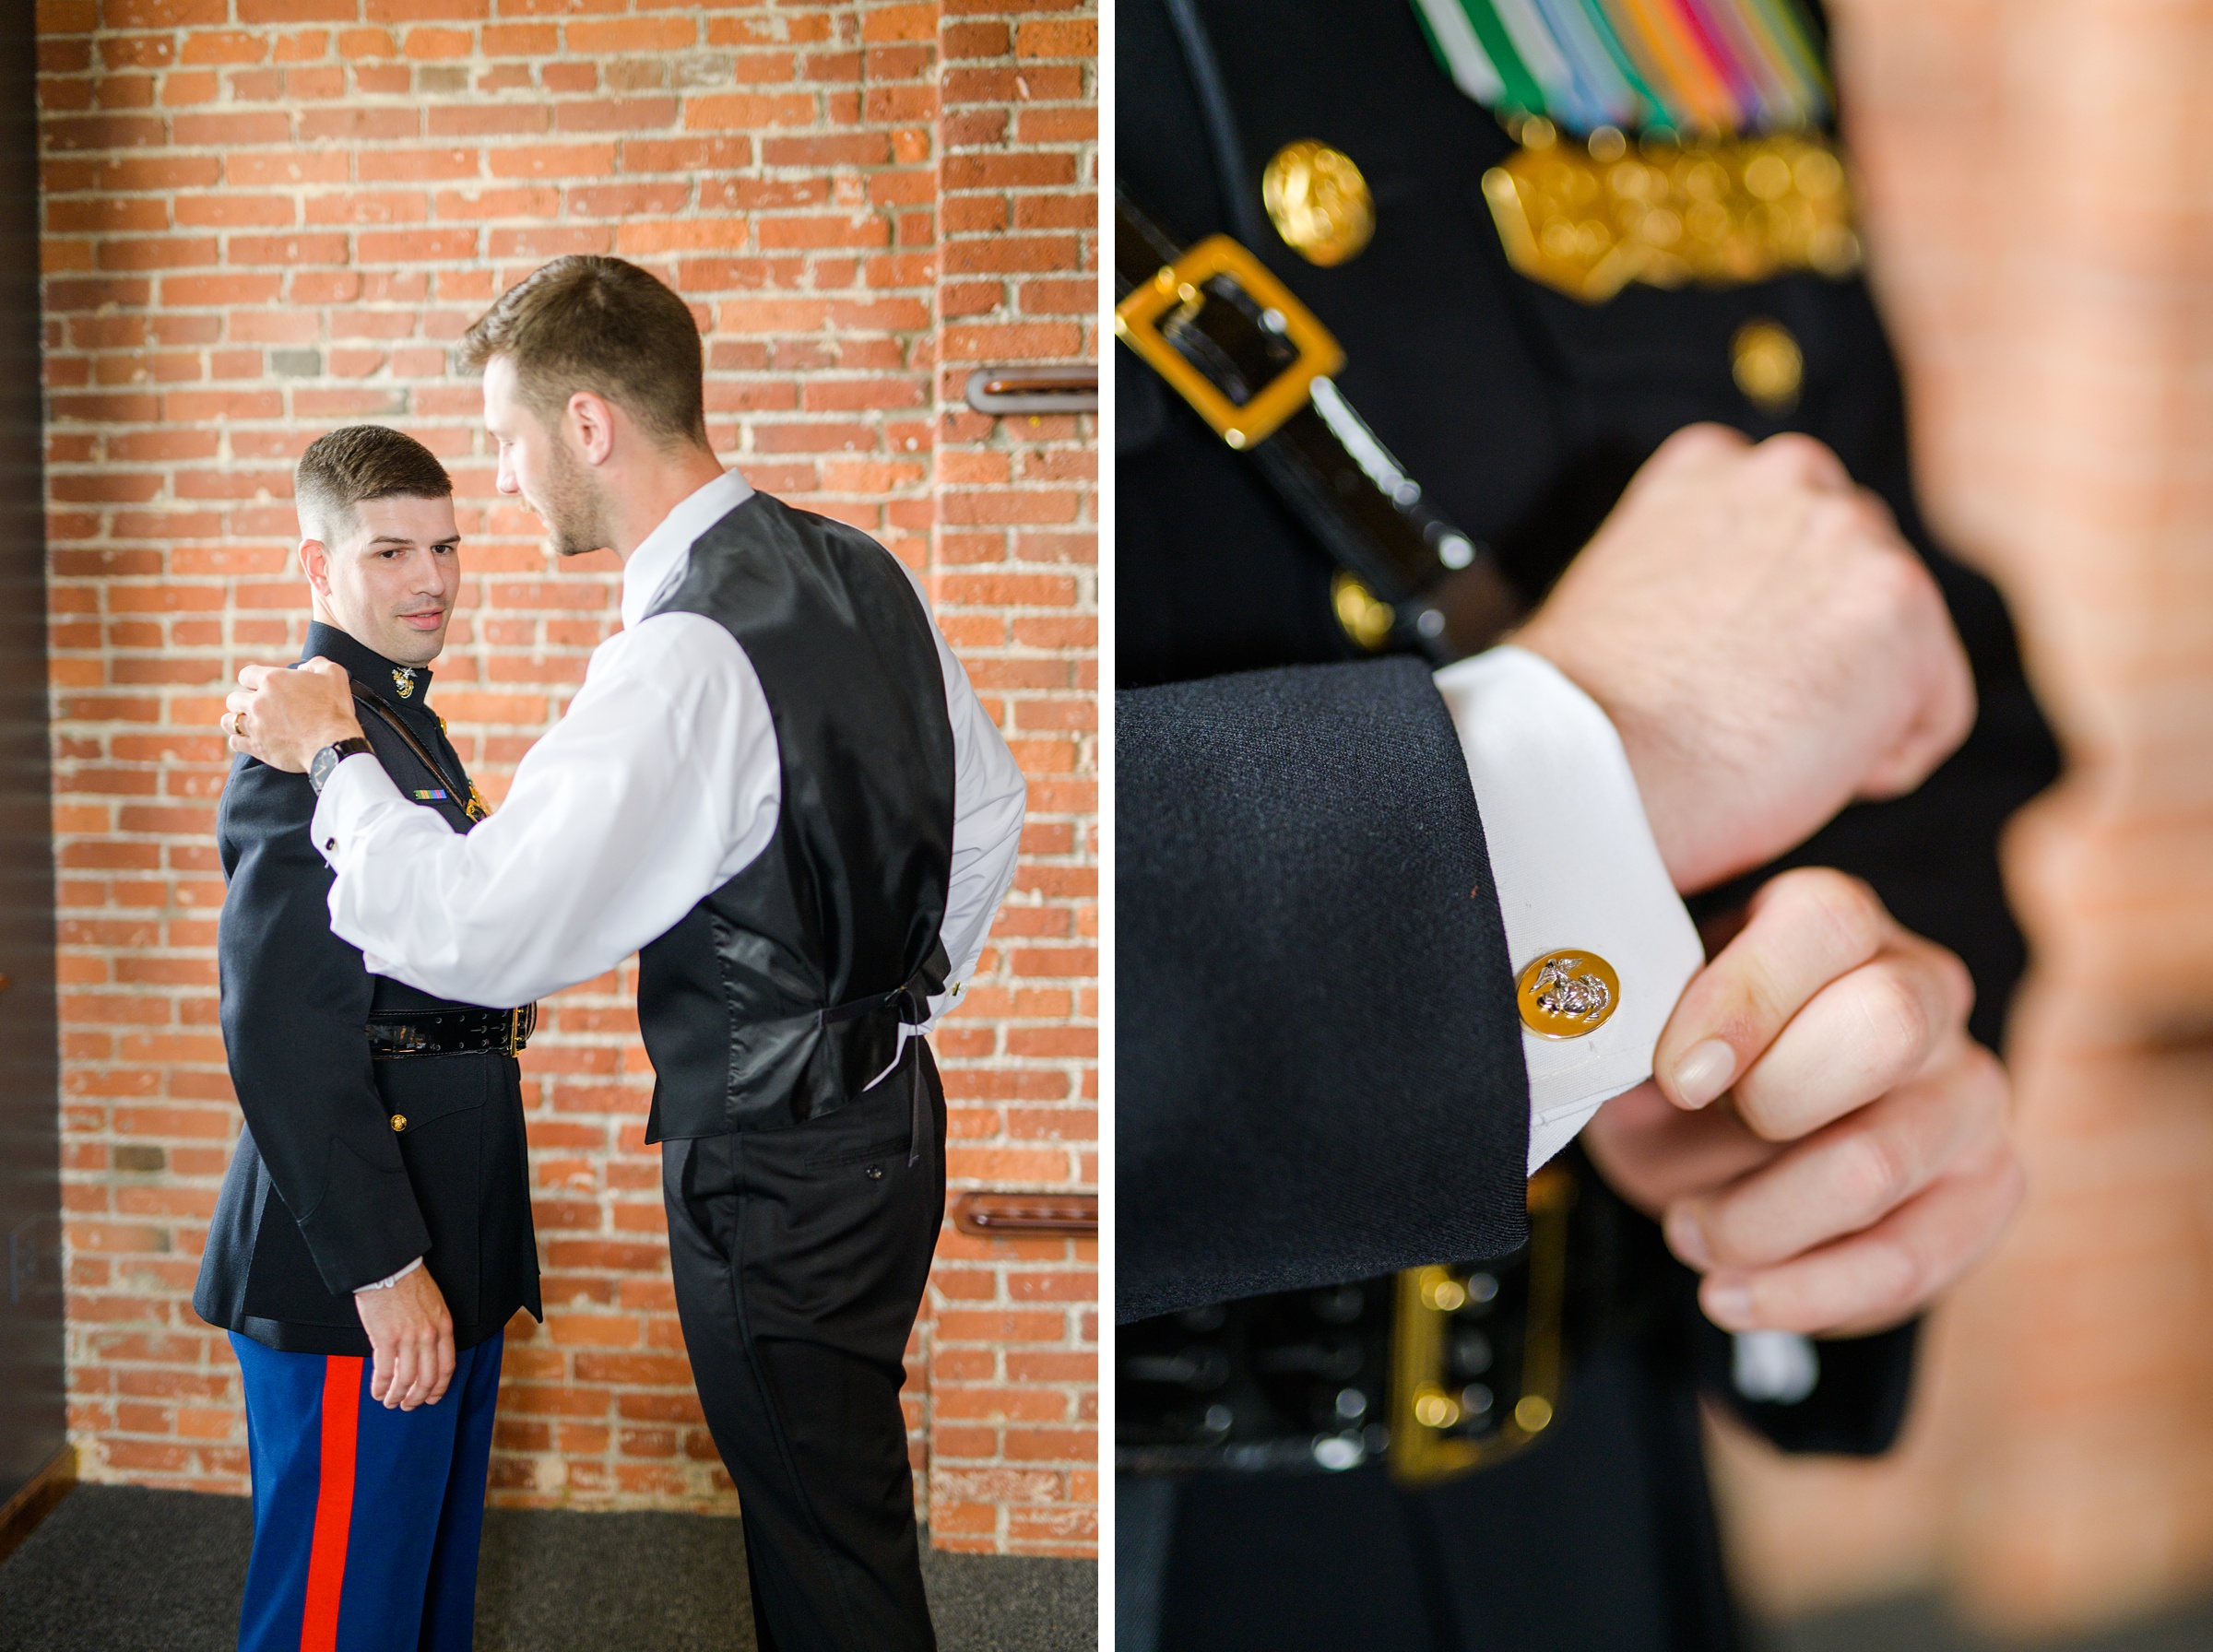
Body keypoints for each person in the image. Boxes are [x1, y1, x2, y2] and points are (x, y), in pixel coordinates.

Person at [1115, 0, 2058, 1646]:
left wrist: (1843, 1064)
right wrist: (1597, 760)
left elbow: (1879, 629)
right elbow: (884, 942)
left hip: (1590, 1505)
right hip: (1106, 1555)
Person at [222, 256, 1028, 1652]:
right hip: (891, 1123)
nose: (507, 481)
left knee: (824, 1538)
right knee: (834, 1506)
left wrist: (337, 755)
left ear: (586, 424)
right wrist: (883, 1009)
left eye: (507, 442)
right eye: (396, 546)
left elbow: (480, 933)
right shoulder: (857, 565)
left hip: (777, 1157)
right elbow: (992, 811)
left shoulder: (678, 653)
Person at [195, 425, 540, 1652]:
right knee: (341, 1613)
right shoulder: (299, 745)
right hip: (360, 1243)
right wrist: (385, 1267)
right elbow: (283, 1030)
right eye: (390, 550)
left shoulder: (395, 727)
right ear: (317, 566)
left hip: (445, 1204)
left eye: (445, 545)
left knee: (417, 1594)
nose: (430, 578)